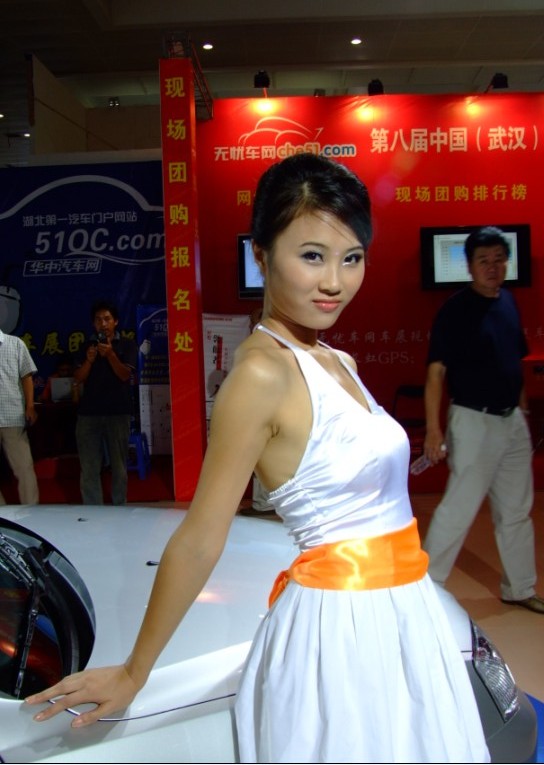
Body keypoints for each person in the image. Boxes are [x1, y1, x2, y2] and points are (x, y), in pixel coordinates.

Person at [26, 155, 489, 763]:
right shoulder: (260, 375)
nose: (335, 281)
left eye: (352, 258)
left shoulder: (337, 360)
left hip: (403, 608)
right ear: (262, 256)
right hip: (341, 630)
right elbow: (200, 536)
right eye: (312, 255)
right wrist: (136, 670)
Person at [422, 226, 543, 614]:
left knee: (516, 511)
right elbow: (436, 373)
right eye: (483, 260)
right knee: (458, 509)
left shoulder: (508, 301)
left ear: (507, 262)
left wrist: (522, 408)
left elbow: (514, 359)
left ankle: (519, 587)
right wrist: (434, 430)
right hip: (474, 421)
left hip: (512, 421)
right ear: (469, 266)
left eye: (498, 259)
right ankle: (425, 591)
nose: (492, 267)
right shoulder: (455, 310)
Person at [73, 300, 137, 505]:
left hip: (118, 412)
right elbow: (78, 378)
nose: (103, 324)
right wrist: (89, 361)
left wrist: (110, 354)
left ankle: (119, 505)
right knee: (89, 466)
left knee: (119, 466)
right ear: (93, 324)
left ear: (115, 321)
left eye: (107, 319)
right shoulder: (85, 346)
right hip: (89, 414)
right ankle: (93, 509)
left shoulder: (127, 345)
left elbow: (125, 375)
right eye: (98, 320)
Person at [0, 328, 39, 505]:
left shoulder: (15, 344)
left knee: (24, 468)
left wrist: (30, 406)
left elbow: (26, 376)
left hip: (12, 416)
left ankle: (31, 511)